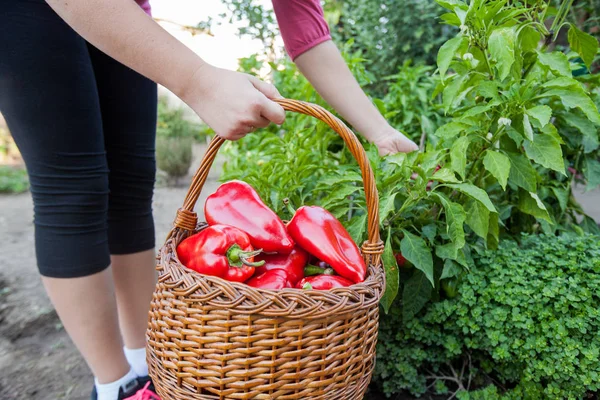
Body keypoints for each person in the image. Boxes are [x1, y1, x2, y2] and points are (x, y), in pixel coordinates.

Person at [0, 0, 417, 399]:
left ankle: (143, 363)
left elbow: (309, 37)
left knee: (131, 188)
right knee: (75, 190)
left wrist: (380, 134)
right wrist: (195, 81)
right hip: (28, 9)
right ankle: (113, 385)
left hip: (125, 10)